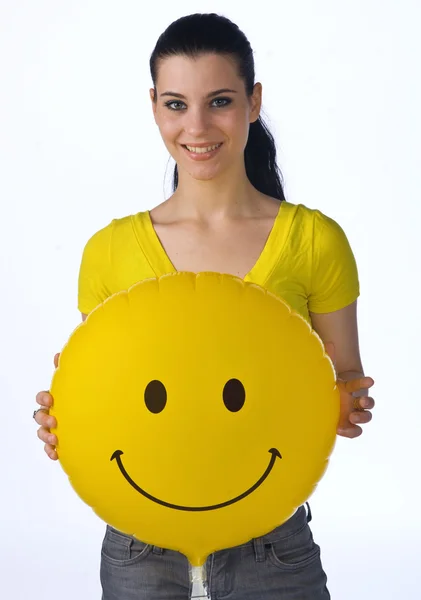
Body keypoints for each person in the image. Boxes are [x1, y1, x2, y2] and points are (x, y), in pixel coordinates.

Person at [33, 12, 375, 600]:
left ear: (253, 101)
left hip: (273, 541)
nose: (196, 126)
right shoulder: (109, 251)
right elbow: (108, 391)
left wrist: (348, 404)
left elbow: (344, 384)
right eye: (175, 104)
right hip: (139, 543)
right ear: (154, 105)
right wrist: (63, 418)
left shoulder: (315, 241)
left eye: (219, 101)